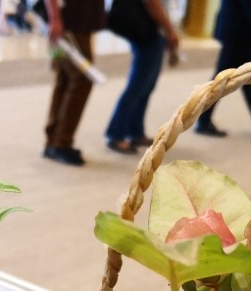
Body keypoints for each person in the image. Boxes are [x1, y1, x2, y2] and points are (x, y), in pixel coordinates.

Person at [194, 0, 251, 138]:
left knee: (248, 76)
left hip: (238, 27)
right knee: (222, 77)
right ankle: (203, 120)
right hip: (238, 30)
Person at [104, 0, 181, 154]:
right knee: (138, 86)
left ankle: (136, 132)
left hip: (152, 30)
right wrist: (170, 30)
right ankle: (116, 134)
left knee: (146, 86)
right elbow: (152, 3)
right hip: (148, 30)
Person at [42, 0, 106, 166]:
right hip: (71, 23)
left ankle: (54, 140)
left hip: (73, 22)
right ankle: (61, 142)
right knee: (81, 79)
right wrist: (55, 17)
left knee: (64, 79)